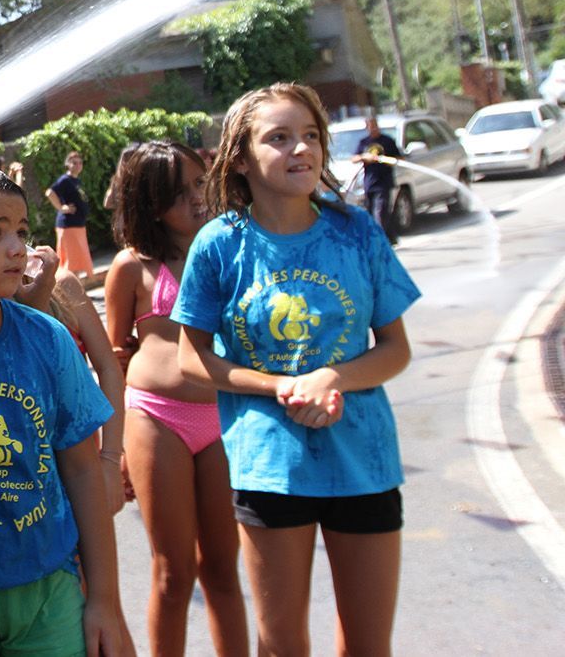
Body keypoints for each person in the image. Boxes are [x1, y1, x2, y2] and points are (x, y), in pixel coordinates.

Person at [174, 83, 418, 657]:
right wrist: (280, 386)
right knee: (281, 643)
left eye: (310, 136)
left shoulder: (356, 231)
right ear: (240, 156)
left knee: (368, 643)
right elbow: (192, 358)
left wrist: (332, 378)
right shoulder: (217, 244)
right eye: (278, 138)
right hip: (269, 465)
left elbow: (395, 349)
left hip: (366, 462)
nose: (300, 150)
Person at [0, 162, 134, 657]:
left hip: (49, 590)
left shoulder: (47, 338)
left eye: (21, 231)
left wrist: (104, 601)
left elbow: (80, 472)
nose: (18, 248)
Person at [104, 141, 247, 657]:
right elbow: (114, 358)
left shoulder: (233, 251)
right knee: (173, 572)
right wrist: (114, 446)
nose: (197, 198)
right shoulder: (131, 267)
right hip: (155, 419)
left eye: (199, 182)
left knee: (223, 571)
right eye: (178, 191)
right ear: (150, 202)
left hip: (223, 417)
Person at [15, 246, 127, 515]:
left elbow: (108, 367)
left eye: (20, 229)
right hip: (21, 477)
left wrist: (111, 461)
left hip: (83, 467)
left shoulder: (62, 284)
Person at [351, 114, 402, 245]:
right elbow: (354, 158)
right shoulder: (364, 143)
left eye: (374, 125)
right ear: (367, 127)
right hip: (369, 183)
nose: (373, 128)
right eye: (370, 126)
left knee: (380, 210)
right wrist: (365, 157)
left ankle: (379, 241)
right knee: (371, 211)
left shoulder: (387, 141)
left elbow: (399, 159)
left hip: (384, 182)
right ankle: (391, 237)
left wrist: (385, 160)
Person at [43, 150, 94, 277]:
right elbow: (50, 193)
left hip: (78, 225)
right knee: (71, 263)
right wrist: (61, 208)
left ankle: (77, 293)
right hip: (68, 226)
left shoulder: (76, 181)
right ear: (67, 164)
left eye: (80, 163)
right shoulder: (65, 180)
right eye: (74, 163)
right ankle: (72, 293)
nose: (78, 165)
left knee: (77, 262)